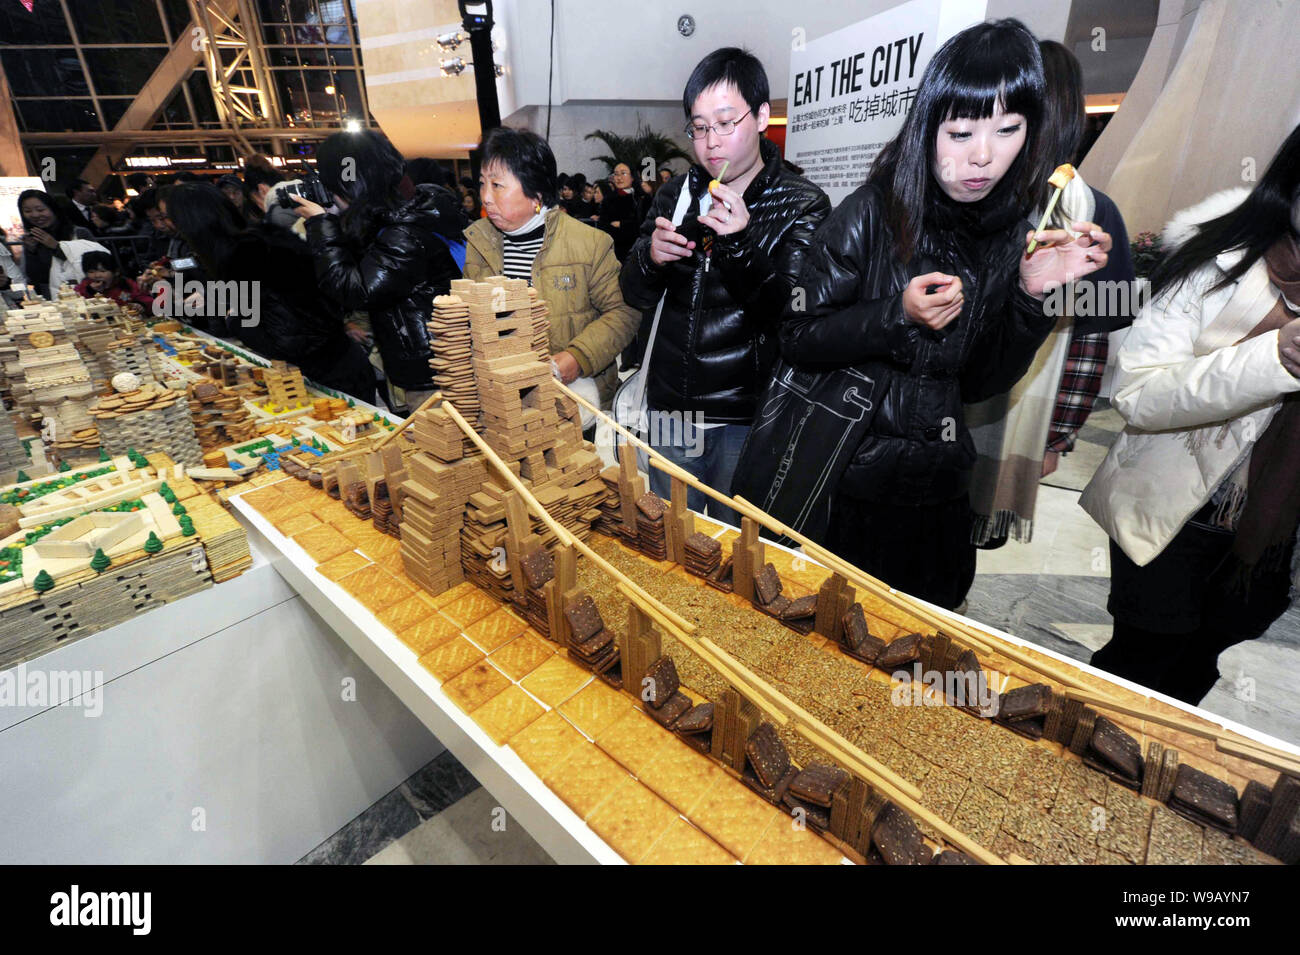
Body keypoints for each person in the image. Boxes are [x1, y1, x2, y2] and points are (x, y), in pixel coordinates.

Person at [768, 20, 1111, 610]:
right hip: (848, 479)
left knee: (931, 648)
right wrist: (896, 314)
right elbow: (797, 334)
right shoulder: (870, 213)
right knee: (836, 648)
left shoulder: (1013, 232)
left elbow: (979, 382)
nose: (982, 156)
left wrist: (1030, 298)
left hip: (942, 487)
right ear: (927, 128)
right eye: (959, 132)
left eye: (1007, 130)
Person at [1080, 124, 1300, 705]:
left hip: (1273, 533)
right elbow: (1138, 393)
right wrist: (1274, 355)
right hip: (1180, 506)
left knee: (1206, 661)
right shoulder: (1220, 258)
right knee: (1140, 663)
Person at [620, 47, 830, 523]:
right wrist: (651, 260)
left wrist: (740, 245)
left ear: (760, 117)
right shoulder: (675, 194)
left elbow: (793, 316)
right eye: (699, 127)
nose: (711, 142)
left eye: (725, 123)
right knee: (674, 536)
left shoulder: (802, 204)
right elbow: (632, 294)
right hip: (672, 408)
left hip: (747, 416)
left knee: (739, 549)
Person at [965, 38, 1138, 552]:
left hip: (1016, 422)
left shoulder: (1091, 213)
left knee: (962, 555)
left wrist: (1057, 435)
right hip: (931, 419)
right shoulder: (969, 193)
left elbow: (1090, 339)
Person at [465, 127, 638, 417]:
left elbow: (624, 313)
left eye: (497, 185)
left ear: (536, 193)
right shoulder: (478, 242)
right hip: (501, 402)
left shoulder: (590, 243)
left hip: (573, 400)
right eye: (482, 184)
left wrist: (576, 357)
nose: (485, 197)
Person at [298, 129, 464, 411]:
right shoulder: (401, 216)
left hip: (436, 377)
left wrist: (320, 223)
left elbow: (355, 291)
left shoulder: (404, 232)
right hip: (433, 367)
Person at [167, 183, 375, 400]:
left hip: (326, 378)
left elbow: (286, 339)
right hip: (334, 363)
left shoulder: (239, 258)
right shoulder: (260, 237)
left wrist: (230, 314)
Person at [16, 190, 106, 298]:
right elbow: (37, 277)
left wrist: (57, 247)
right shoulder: (32, 239)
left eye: (40, 209)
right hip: (53, 299)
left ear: (53, 209)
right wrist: (32, 252)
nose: (35, 215)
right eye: (27, 211)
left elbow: (98, 264)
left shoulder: (79, 233)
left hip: (88, 295)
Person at [74, 250, 154, 307]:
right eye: (91, 272)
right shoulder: (85, 286)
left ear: (115, 272)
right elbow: (76, 301)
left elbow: (145, 298)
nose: (97, 275)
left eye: (103, 271)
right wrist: (90, 291)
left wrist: (140, 305)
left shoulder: (125, 284)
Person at [601, 162, 640, 260]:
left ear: (632, 177)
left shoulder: (641, 197)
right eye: (616, 174)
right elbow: (604, 225)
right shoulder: (608, 199)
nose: (619, 178)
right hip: (615, 251)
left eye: (623, 173)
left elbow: (642, 225)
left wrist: (622, 224)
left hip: (638, 250)